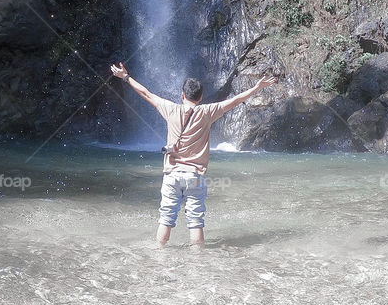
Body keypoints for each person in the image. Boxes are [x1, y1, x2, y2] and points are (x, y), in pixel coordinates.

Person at [110, 62, 277, 249]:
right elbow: (236, 101)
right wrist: (256, 87)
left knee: (165, 218)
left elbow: (146, 93)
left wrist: (125, 77)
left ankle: (159, 254)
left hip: (172, 174)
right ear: (201, 97)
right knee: (196, 220)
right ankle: (197, 261)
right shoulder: (207, 112)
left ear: (182, 95)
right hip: (195, 176)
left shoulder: (170, 108)